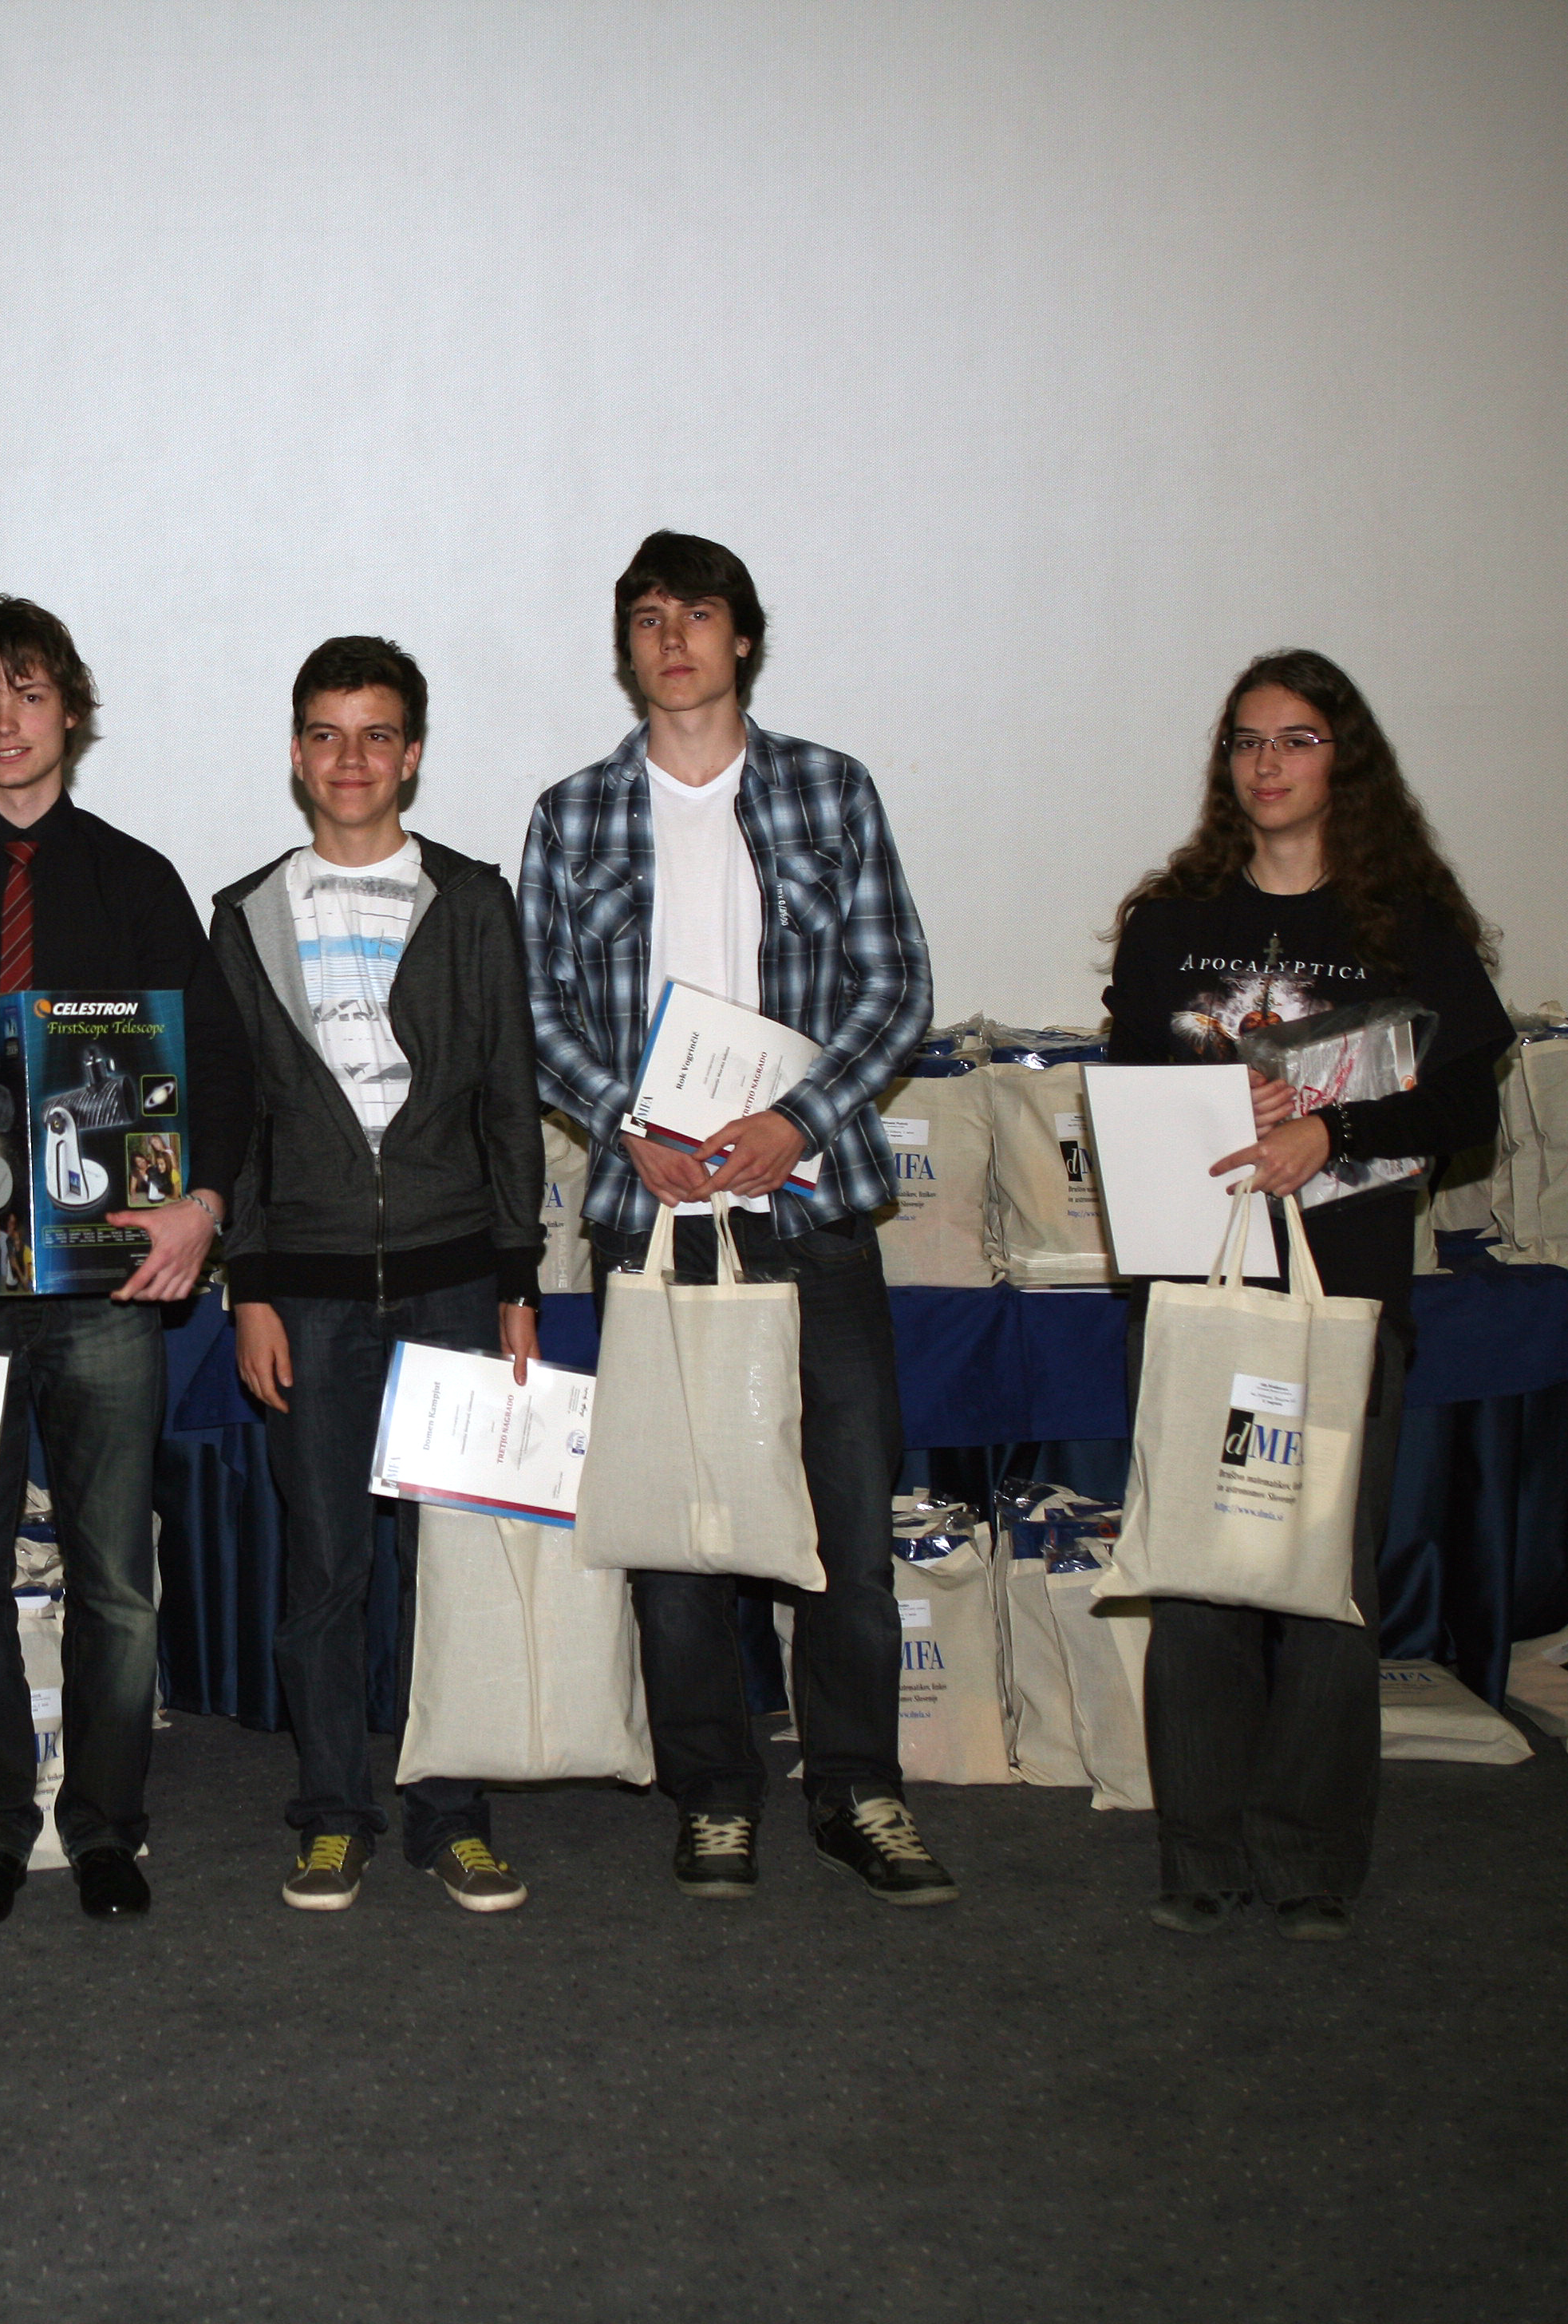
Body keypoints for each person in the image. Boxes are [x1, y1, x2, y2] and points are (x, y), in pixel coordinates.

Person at [519, 531, 955, 1907]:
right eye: (648, 618)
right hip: (649, 1220)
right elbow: (536, 1011)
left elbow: (897, 986)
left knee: (847, 1527)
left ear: (743, 638)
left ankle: (859, 1787)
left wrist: (797, 1120)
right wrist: (628, 1126)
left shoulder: (830, 790)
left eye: (698, 614)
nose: (673, 639)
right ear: (627, 646)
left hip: (808, 1210)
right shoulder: (573, 813)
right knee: (675, 1532)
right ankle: (713, 1793)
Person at [0, 596, 252, 1924]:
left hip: (107, 1283)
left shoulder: (137, 881)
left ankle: (111, 1829)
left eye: (27, 694)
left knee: (115, 1578)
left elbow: (221, 1070)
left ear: (70, 709)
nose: (5, 722)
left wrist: (203, 1206)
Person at [1101, 648, 1509, 1943]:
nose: (1266, 765)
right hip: (1197, 1283)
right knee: (1198, 1576)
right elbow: (1127, 1091)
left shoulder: (1406, 926)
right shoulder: (1171, 923)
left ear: (1346, 761)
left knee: (1327, 1578)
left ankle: (1310, 1862)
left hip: (1345, 1294)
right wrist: (1216, 1102)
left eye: (1295, 740)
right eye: (1245, 742)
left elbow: (1467, 1104)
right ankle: (1200, 1853)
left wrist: (1333, 1128)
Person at [211, 637, 547, 1914]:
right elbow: (232, 1123)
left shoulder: (473, 901)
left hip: (456, 1283)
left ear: (411, 755)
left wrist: (517, 1282)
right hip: (303, 1293)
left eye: (376, 734)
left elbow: (509, 1098)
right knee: (327, 1565)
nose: (350, 758)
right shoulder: (244, 913)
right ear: (297, 756)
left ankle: (451, 1813)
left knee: (455, 1564)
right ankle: (333, 1811)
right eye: (326, 734)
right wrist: (247, 1288)